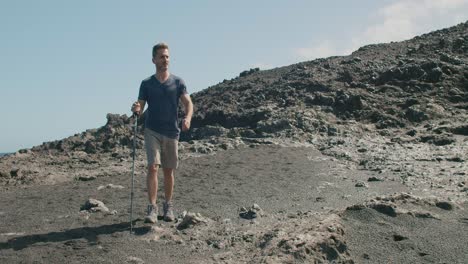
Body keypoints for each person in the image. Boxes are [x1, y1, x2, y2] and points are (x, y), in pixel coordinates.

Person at [131, 42, 193, 223]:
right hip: (152, 131)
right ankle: (152, 208)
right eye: (161, 57)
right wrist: (136, 109)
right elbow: (140, 107)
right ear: (153, 60)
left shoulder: (178, 82)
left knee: (168, 171)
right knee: (152, 167)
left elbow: (188, 103)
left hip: (172, 132)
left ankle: (168, 206)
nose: (165, 60)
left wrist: (187, 118)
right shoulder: (147, 84)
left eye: (167, 56)